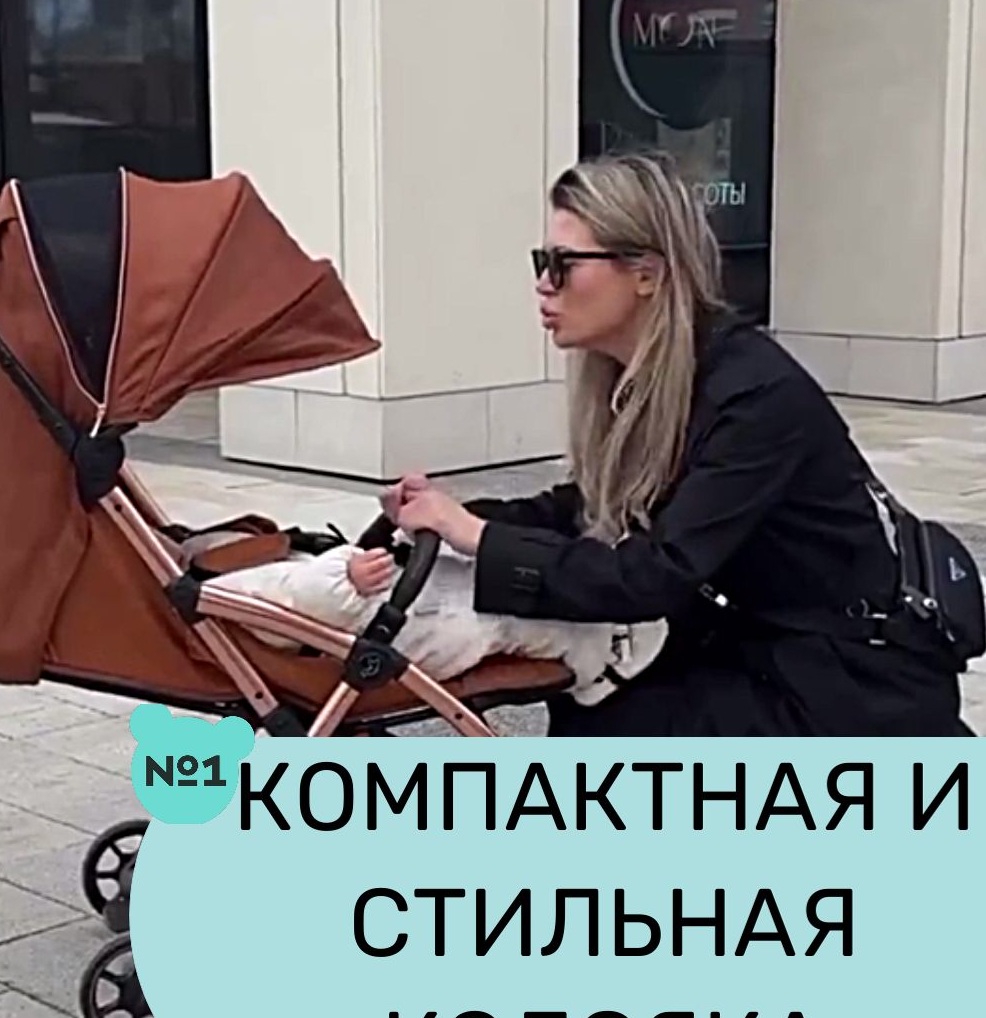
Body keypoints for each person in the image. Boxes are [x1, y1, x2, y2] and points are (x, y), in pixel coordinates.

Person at [381, 152, 972, 738]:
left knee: (613, 717)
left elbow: (654, 574)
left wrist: (477, 536)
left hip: (851, 684)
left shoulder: (753, 395)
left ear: (648, 273)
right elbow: (588, 508)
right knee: (593, 697)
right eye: (542, 261)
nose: (543, 283)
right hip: (765, 644)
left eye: (564, 264)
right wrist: (443, 522)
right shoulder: (652, 378)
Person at [207, 529, 668, 706]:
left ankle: (601, 624)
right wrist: (343, 572)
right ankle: (600, 655)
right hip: (393, 632)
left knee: (477, 578)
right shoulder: (219, 592)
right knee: (495, 620)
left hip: (385, 610)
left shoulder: (226, 568)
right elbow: (285, 598)